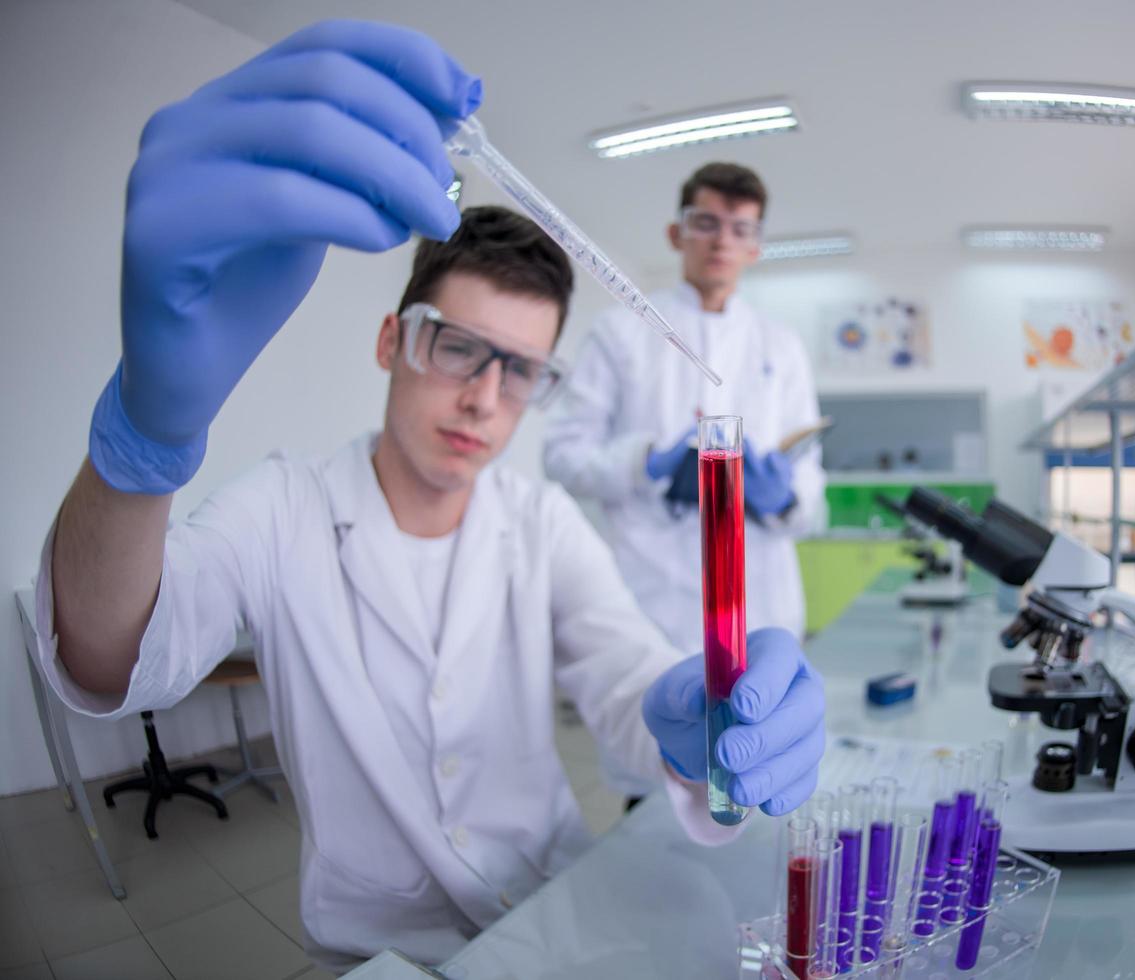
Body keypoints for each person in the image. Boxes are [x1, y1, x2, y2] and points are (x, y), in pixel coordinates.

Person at [30, 21, 823, 973]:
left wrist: (683, 712)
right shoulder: (282, 508)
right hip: (375, 957)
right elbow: (110, 660)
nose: (486, 397)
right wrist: (142, 441)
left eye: (523, 370)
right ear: (390, 341)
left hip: (562, 918)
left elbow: (622, 680)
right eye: (457, 346)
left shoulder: (538, 525)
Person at [544, 163, 827, 654]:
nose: (721, 241)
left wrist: (784, 500)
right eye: (706, 223)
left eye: (740, 229)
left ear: (755, 247)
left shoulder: (781, 345)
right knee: (648, 725)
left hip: (762, 603)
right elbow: (562, 455)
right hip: (651, 603)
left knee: (758, 724)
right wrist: (645, 462)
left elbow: (810, 491)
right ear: (676, 234)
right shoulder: (621, 331)